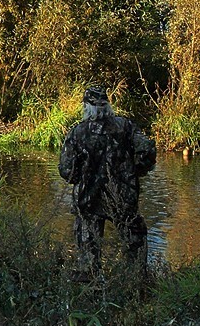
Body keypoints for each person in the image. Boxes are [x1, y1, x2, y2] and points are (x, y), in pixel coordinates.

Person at [58, 86, 156, 275]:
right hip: (123, 196)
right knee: (134, 243)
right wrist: (135, 172)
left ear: (86, 107)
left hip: (88, 199)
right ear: (108, 105)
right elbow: (148, 150)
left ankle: (92, 287)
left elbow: (66, 170)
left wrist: (81, 177)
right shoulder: (125, 127)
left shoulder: (78, 132)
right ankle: (136, 283)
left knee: (88, 253)